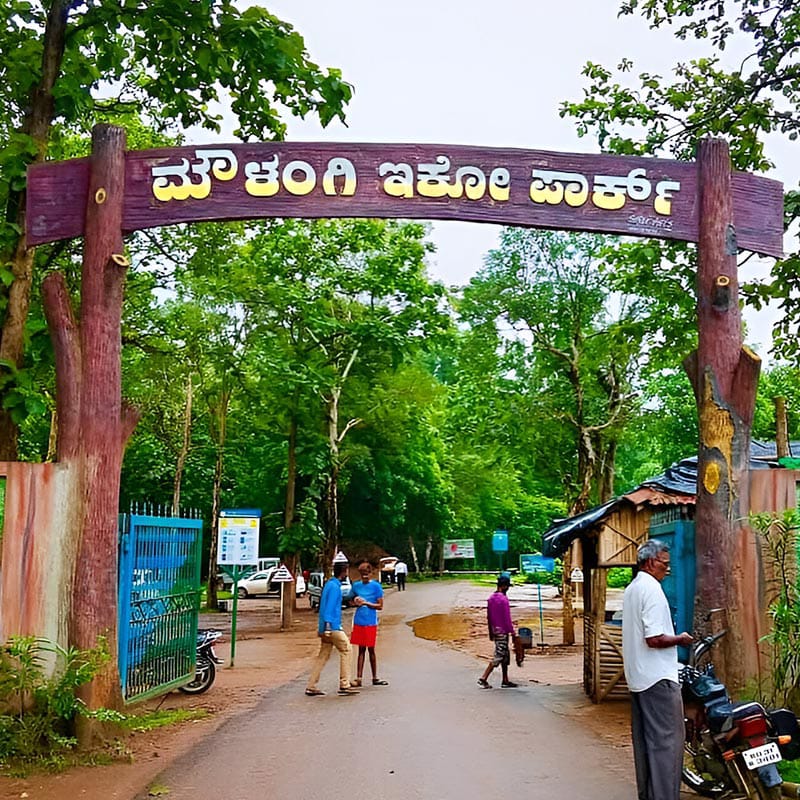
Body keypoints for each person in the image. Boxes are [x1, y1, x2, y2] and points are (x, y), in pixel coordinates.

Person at [622, 540, 693, 800]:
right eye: (665, 563)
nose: (667, 569)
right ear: (651, 562)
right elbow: (654, 639)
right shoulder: (651, 590)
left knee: (647, 744)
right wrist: (681, 638)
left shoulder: (633, 589)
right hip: (658, 679)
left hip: (639, 678)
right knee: (668, 745)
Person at [305, 561, 360, 697]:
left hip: (324, 625)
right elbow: (330, 607)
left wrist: (323, 627)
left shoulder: (329, 585)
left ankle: (311, 685)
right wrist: (329, 626)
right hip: (332, 626)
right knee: (347, 649)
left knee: (323, 655)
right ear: (344, 572)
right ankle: (344, 683)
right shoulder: (335, 587)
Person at [347, 561, 388, 687]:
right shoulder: (356, 586)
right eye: (362, 574)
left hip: (370, 621)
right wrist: (355, 601)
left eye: (367, 573)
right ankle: (359, 678)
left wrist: (366, 603)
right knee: (360, 649)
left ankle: (375, 677)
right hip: (359, 620)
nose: (365, 576)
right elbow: (349, 601)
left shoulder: (376, 587)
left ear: (371, 573)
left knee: (371, 649)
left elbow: (380, 606)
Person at [478, 573, 518, 688]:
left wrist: (491, 632)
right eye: (508, 587)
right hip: (503, 631)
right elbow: (507, 618)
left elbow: (489, 617)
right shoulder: (503, 599)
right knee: (499, 655)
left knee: (505, 655)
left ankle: (505, 679)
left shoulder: (491, 599)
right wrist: (512, 631)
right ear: (504, 586)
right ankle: (483, 678)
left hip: (495, 630)